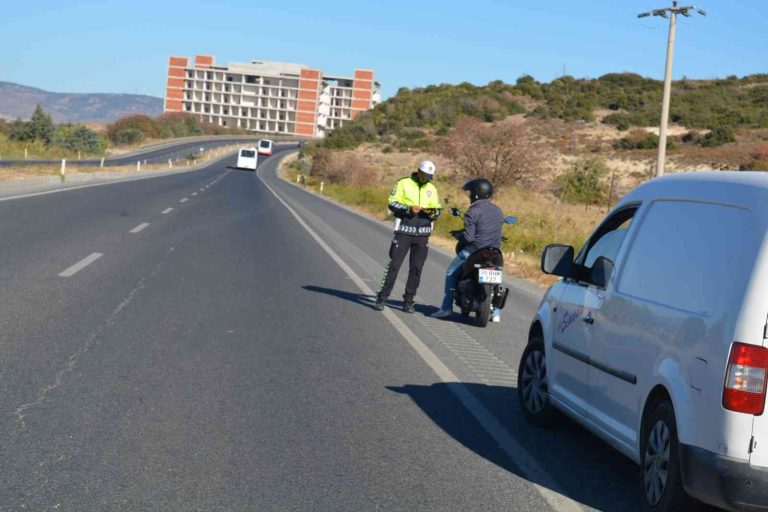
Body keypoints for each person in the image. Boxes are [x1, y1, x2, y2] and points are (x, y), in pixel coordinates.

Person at [431, 178, 504, 322]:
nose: (469, 195)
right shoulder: (498, 211)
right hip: (495, 252)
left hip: (474, 251)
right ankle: (496, 312)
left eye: (470, 192)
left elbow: (469, 238)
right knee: (497, 277)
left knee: (451, 272)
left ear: (476, 194)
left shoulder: (473, 211)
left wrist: (459, 236)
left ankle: (446, 308)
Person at [375, 160, 442, 313]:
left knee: (416, 268)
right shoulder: (403, 183)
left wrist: (431, 212)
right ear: (418, 171)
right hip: (404, 232)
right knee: (394, 265)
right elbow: (392, 203)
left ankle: (408, 301)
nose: (425, 179)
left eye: (428, 177)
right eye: (424, 176)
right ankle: (382, 298)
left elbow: (438, 211)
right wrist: (408, 209)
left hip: (423, 234)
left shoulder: (432, 188)